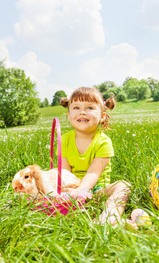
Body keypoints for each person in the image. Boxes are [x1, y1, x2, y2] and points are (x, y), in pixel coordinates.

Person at [60, 87, 131, 225]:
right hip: (71, 190)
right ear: (69, 116)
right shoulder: (64, 140)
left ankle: (109, 216)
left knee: (123, 186)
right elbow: (65, 173)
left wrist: (80, 193)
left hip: (97, 192)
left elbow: (93, 173)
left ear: (102, 116)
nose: (82, 112)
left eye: (89, 107)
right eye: (76, 108)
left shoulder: (103, 142)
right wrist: (68, 192)